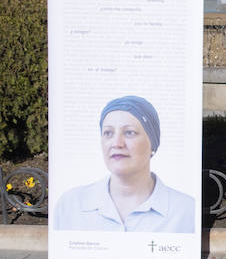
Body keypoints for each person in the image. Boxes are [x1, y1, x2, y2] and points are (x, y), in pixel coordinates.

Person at [54, 95, 194, 233]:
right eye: (108, 133)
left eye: (129, 132)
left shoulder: (185, 211)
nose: (117, 143)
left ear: (153, 143)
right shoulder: (70, 205)